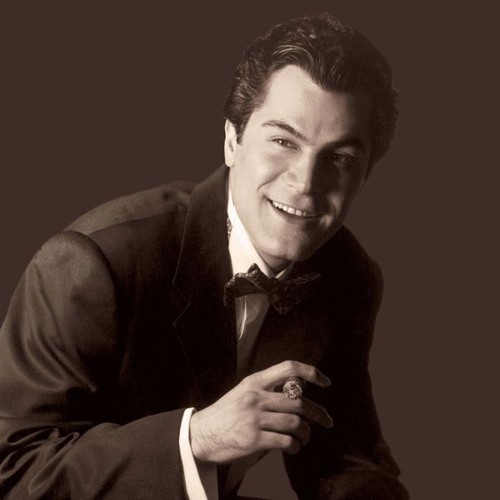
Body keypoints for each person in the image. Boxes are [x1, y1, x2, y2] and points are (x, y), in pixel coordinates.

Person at [0, 12, 409, 500]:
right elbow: (13, 471)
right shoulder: (91, 263)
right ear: (232, 140)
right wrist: (198, 438)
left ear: (364, 177)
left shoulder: (349, 276)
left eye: (340, 159)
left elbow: (346, 458)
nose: (305, 183)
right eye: (283, 141)